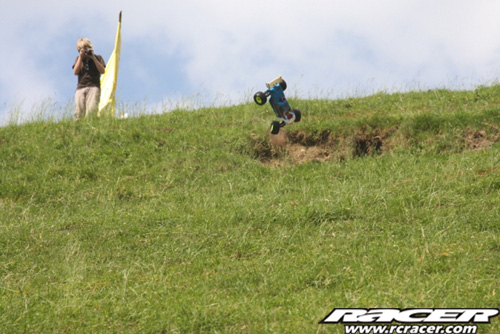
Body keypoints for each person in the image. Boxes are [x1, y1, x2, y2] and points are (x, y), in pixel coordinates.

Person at [72, 38, 106, 119]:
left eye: (86, 48)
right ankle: (79, 127)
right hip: (81, 87)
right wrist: (81, 57)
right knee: (79, 111)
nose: (85, 51)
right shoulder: (78, 59)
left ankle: (91, 125)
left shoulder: (98, 57)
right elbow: (75, 72)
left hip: (94, 86)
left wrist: (93, 57)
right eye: (82, 49)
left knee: (91, 109)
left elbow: (102, 71)